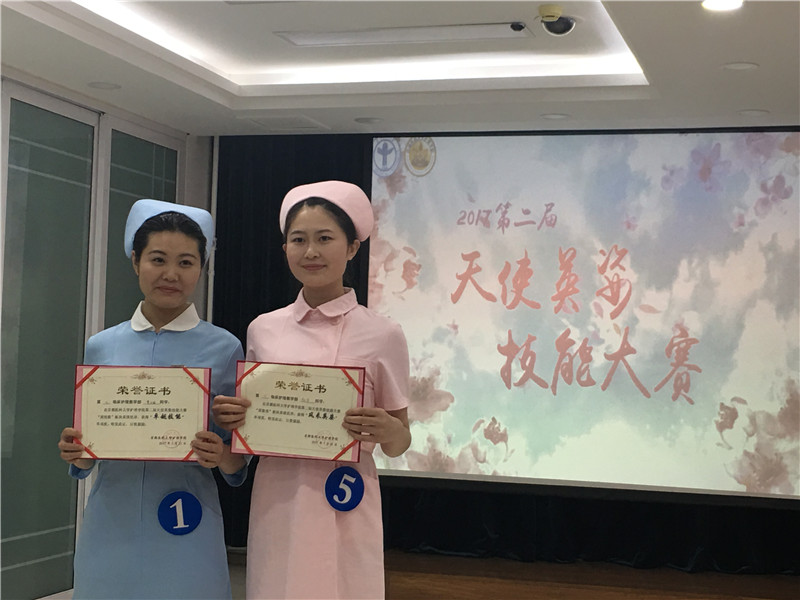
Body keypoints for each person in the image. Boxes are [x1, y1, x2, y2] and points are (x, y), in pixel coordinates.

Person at [213, 180, 411, 599]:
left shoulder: (384, 333)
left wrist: (387, 429)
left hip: (347, 494)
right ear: (285, 248)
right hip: (278, 493)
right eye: (298, 239)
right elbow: (254, 420)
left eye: (325, 238)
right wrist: (235, 417)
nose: (310, 252)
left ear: (353, 247)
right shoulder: (263, 328)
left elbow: (399, 442)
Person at [57, 199, 247, 599]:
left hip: (187, 519)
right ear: (135, 261)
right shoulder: (101, 345)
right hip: (112, 520)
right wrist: (79, 451)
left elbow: (237, 461)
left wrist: (221, 454)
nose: (171, 274)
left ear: (201, 268)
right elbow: (88, 452)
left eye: (186, 262)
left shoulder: (225, 347)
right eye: (158, 259)